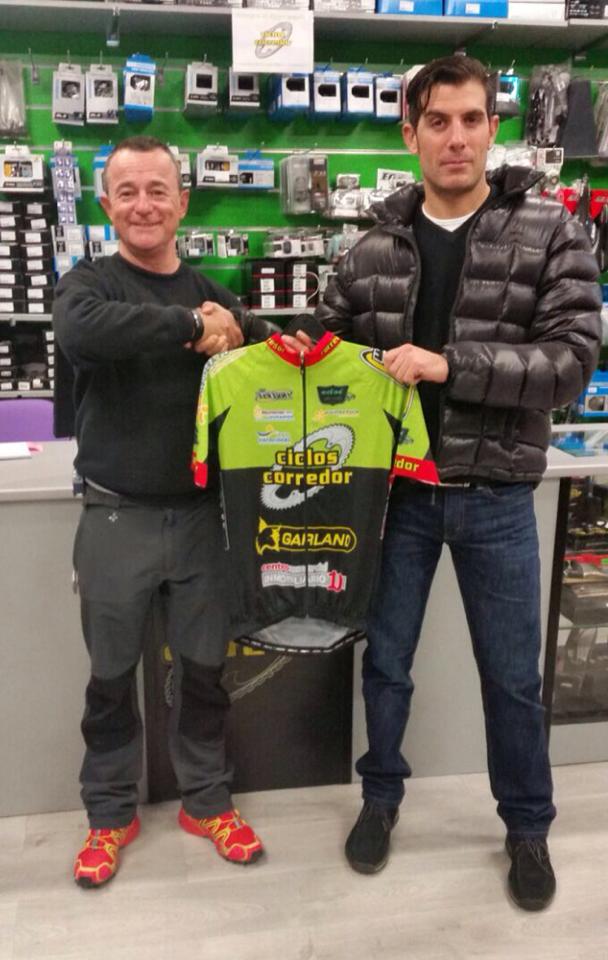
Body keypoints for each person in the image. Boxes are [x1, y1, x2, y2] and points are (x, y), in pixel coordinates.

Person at [312, 55, 602, 910]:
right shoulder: (372, 244)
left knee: (512, 679)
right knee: (386, 665)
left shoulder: (551, 232)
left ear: (492, 128)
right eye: (437, 121)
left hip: (497, 496)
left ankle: (528, 828)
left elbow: (570, 363)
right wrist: (254, 337)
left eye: (472, 119)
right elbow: (324, 348)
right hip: (396, 498)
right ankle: (380, 799)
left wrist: (450, 364)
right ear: (411, 133)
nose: (456, 137)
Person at [53, 135, 274, 888]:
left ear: (183, 201)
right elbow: (81, 334)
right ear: (106, 204)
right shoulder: (88, 284)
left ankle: (206, 800)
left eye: (158, 190)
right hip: (114, 517)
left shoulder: (214, 291)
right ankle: (110, 813)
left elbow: (261, 345)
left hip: (203, 520)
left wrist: (273, 337)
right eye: (128, 192)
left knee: (206, 671)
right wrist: (189, 327)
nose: (143, 205)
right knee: (110, 678)